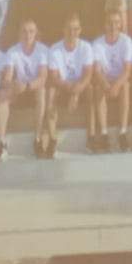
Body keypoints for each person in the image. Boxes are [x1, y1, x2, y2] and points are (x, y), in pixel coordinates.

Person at [44, 14, 97, 157]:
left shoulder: (86, 47)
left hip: (80, 86)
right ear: (63, 29)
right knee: (50, 92)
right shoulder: (54, 49)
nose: (72, 33)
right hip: (62, 85)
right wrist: (71, 90)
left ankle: (91, 137)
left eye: (75, 29)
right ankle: (52, 139)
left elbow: (88, 74)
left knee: (91, 90)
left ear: (80, 30)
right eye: (69, 29)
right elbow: (54, 77)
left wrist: (76, 93)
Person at [90, 9, 132, 153]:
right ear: (104, 24)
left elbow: (127, 70)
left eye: (116, 22)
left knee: (125, 86)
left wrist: (116, 86)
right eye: (109, 23)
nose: (113, 26)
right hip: (105, 78)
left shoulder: (126, 41)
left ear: (120, 24)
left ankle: (123, 132)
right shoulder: (97, 43)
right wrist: (106, 84)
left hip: (121, 78)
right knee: (98, 87)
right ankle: (104, 133)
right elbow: (97, 70)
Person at [4, 18, 53, 158]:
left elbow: (43, 78)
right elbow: (7, 77)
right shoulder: (12, 51)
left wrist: (26, 86)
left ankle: (37, 138)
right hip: (20, 89)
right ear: (19, 33)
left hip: (34, 87)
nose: (28, 35)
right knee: (3, 94)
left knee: (42, 92)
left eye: (31, 31)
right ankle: (1, 140)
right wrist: (13, 85)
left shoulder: (43, 50)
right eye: (24, 31)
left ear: (36, 33)